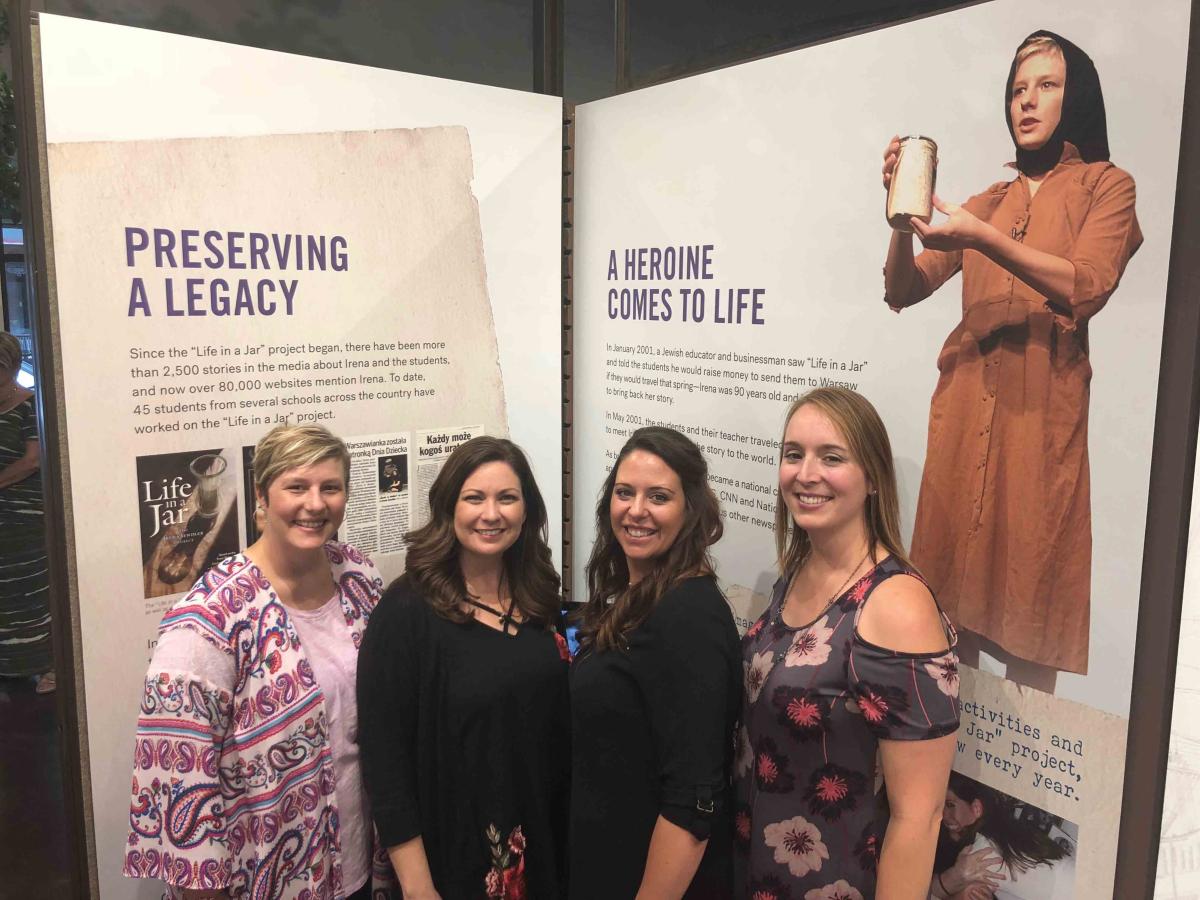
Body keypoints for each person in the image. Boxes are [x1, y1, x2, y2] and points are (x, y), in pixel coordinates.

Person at [882, 32, 1142, 691]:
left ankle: (1018, 764)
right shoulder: (987, 202)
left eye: (1046, 86)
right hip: (962, 419)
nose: (1027, 101)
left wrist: (982, 239)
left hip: (1038, 431)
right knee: (945, 627)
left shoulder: (1106, 186)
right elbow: (903, 289)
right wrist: (899, 219)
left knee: (1032, 615)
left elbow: (1087, 284)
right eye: (1018, 89)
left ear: (1075, 97)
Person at [124, 424, 394, 900]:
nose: (315, 504)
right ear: (262, 495)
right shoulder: (210, 617)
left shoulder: (358, 575)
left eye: (330, 487)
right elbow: (176, 781)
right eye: (297, 487)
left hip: (356, 865)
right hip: (262, 879)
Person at [735, 388, 959, 899]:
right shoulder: (796, 572)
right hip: (759, 869)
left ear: (873, 478)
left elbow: (919, 816)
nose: (806, 473)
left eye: (831, 458)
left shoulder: (896, 605)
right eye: (794, 454)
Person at [357, 436, 569, 899]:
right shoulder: (406, 611)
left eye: (506, 498)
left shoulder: (538, 595)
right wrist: (418, 887)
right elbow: (385, 761)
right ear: (448, 507)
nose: (491, 514)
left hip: (542, 843)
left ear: (527, 510)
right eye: (474, 498)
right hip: (454, 859)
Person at [570, 426, 741, 899]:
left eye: (659, 497)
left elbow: (694, 800)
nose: (636, 510)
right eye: (625, 492)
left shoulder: (688, 617)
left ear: (691, 510)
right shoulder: (643, 597)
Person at [0, 331, 53, 694]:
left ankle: (45, 663)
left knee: (29, 591)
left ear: (13, 366)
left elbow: (33, 460)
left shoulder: (32, 404)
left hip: (25, 520)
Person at [931, 773, 1074, 900]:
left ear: (976, 808)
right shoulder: (1003, 832)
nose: (943, 814)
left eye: (950, 804)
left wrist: (955, 877)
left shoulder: (981, 854)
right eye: (940, 806)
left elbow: (929, 893)